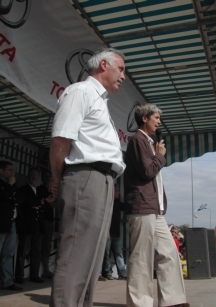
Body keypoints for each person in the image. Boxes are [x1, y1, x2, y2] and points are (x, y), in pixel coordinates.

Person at [48, 47, 126, 307]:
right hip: (85, 178)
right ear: (104, 65)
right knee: (76, 255)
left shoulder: (99, 100)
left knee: (92, 259)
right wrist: (57, 179)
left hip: (103, 180)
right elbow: (60, 141)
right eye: (121, 69)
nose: (123, 76)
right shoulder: (81, 91)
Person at [124, 103, 189, 307]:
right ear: (144, 118)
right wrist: (160, 155)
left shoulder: (150, 142)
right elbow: (147, 171)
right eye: (156, 117)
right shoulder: (137, 140)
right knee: (141, 258)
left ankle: (172, 301)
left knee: (169, 252)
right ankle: (139, 303)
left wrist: (157, 153)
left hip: (155, 208)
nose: (159, 121)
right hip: (142, 207)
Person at [15, 167, 46, 284]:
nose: (35, 176)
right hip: (26, 225)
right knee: (22, 251)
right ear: (29, 176)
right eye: (33, 174)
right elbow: (25, 203)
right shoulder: (23, 189)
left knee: (36, 251)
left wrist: (38, 205)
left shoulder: (41, 190)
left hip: (38, 225)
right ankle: (19, 276)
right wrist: (39, 203)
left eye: (36, 175)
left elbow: (46, 204)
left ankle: (34, 275)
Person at [0, 161, 24, 291]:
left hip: (12, 223)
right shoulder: (4, 185)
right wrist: (9, 188)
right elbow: (5, 197)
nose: (11, 173)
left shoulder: (12, 186)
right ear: (1, 171)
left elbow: (20, 197)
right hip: (2, 223)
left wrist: (11, 191)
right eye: (9, 170)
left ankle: (7, 281)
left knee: (8, 254)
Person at [102, 184, 127, 280]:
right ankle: (107, 272)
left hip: (116, 233)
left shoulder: (118, 203)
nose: (118, 193)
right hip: (107, 233)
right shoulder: (105, 202)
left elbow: (126, 207)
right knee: (106, 254)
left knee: (118, 254)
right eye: (117, 190)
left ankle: (122, 273)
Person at [37, 169, 54, 278]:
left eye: (49, 177)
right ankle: (36, 272)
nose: (47, 179)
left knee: (47, 246)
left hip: (49, 220)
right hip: (40, 221)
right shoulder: (38, 190)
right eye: (45, 176)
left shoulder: (53, 191)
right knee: (38, 246)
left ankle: (46, 270)